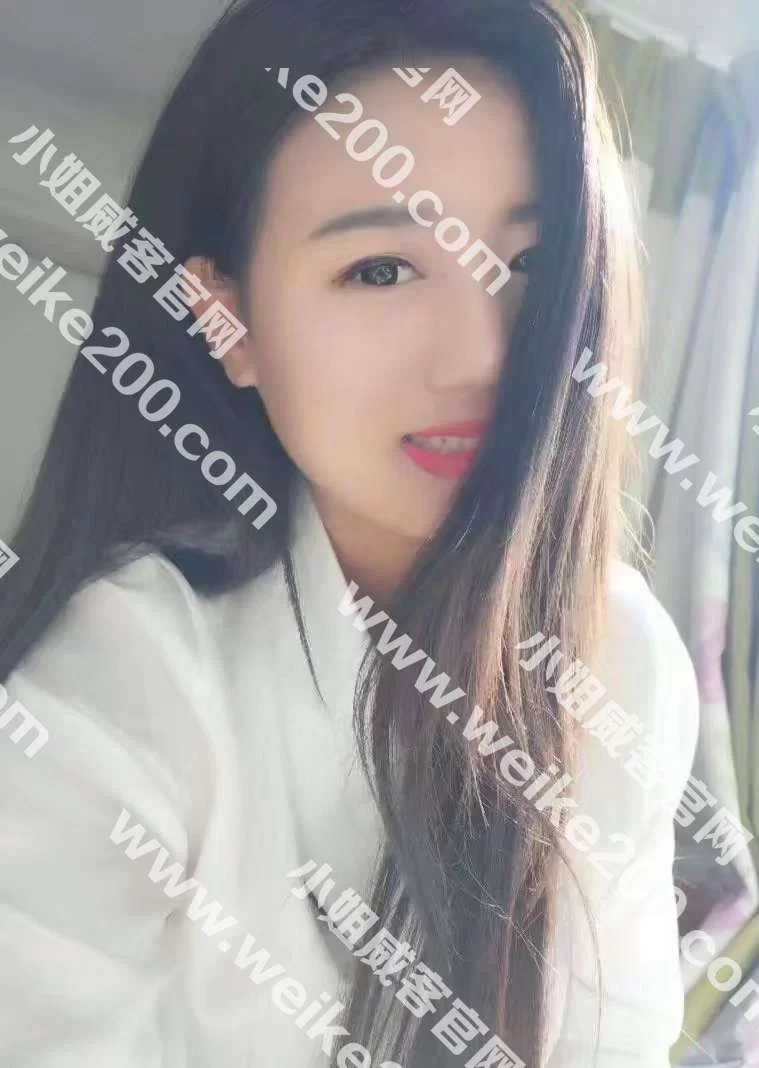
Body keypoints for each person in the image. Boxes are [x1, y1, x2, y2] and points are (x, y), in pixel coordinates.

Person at [0, 0, 699, 1065]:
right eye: (380, 269)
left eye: (528, 263)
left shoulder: (622, 657)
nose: (480, 357)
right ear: (228, 320)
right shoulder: (129, 674)